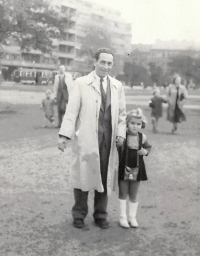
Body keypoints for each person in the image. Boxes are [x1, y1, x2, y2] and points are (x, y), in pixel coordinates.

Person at [58, 48, 126, 229]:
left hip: (108, 139)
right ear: (95, 62)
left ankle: (100, 214)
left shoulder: (117, 86)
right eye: (102, 62)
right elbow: (71, 111)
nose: (106, 66)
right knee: (83, 175)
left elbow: (121, 115)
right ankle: (79, 214)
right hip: (87, 139)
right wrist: (64, 135)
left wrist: (120, 134)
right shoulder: (81, 83)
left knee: (104, 176)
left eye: (109, 63)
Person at [117, 108, 152, 228]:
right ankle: (123, 217)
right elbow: (116, 147)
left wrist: (145, 152)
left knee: (133, 194)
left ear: (142, 125)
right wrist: (119, 145)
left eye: (138, 124)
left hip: (137, 170)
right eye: (132, 123)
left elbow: (148, 148)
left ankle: (132, 217)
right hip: (123, 168)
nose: (135, 126)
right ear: (127, 123)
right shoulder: (122, 136)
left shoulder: (143, 137)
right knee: (123, 192)